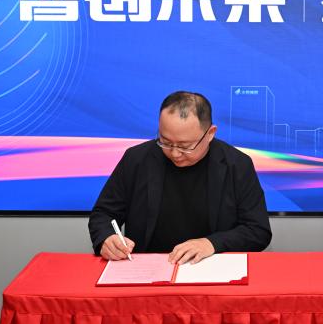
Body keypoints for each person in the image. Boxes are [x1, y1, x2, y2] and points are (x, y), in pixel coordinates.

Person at [89, 91, 272, 264]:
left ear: (210, 133)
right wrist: (106, 238)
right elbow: (103, 214)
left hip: (211, 268)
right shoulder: (136, 159)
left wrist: (212, 243)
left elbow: (258, 230)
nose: (175, 153)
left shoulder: (237, 165)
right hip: (148, 269)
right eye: (165, 142)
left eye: (185, 146)